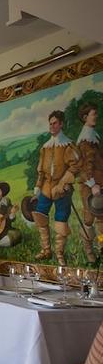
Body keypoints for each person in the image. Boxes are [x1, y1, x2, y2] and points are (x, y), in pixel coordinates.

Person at [32, 110, 80, 265]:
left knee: (61, 220)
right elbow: (41, 171)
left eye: (55, 123)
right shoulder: (45, 148)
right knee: (40, 215)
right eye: (50, 123)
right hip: (46, 188)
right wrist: (38, 187)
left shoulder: (67, 145)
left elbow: (74, 167)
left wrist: (64, 183)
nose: (52, 126)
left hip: (62, 190)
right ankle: (46, 250)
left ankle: (59, 253)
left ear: (61, 124)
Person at [77, 102, 102, 262]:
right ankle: (89, 252)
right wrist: (92, 184)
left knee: (101, 218)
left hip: (99, 182)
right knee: (89, 218)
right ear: (85, 118)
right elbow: (86, 165)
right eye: (93, 114)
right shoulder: (86, 139)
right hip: (90, 185)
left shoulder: (93, 135)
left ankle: (101, 248)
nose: (96, 116)